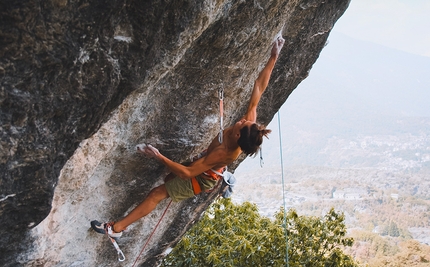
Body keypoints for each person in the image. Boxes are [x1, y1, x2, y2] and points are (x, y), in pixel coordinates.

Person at [91, 36, 285, 238]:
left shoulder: (223, 153)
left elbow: (187, 173)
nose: (245, 119)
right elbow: (259, 88)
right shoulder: (247, 128)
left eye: (245, 123)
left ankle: (115, 229)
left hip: (202, 178)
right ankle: (119, 226)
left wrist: (158, 156)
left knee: (157, 193)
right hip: (202, 165)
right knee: (167, 178)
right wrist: (273, 57)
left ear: (237, 135)